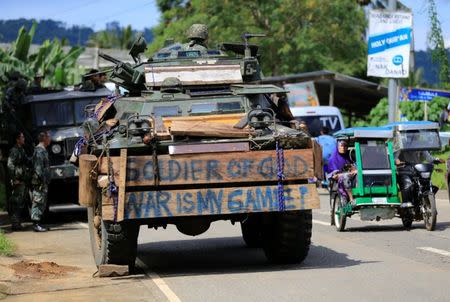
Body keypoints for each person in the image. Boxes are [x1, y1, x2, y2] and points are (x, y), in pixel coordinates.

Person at [7, 131, 30, 231]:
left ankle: (17, 223)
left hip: (22, 180)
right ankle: (15, 224)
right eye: (22, 137)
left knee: (20, 202)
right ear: (17, 139)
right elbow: (10, 164)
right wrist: (14, 179)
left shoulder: (21, 150)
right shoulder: (14, 151)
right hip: (18, 180)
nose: (24, 139)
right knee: (16, 202)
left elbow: (26, 161)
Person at [31, 132, 51, 232]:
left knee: (41, 202)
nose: (50, 139)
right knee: (38, 201)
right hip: (39, 182)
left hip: (42, 182)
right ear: (44, 138)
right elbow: (38, 169)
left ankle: (38, 223)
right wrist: (42, 180)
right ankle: (36, 224)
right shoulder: (39, 151)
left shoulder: (43, 150)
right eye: (48, 137)